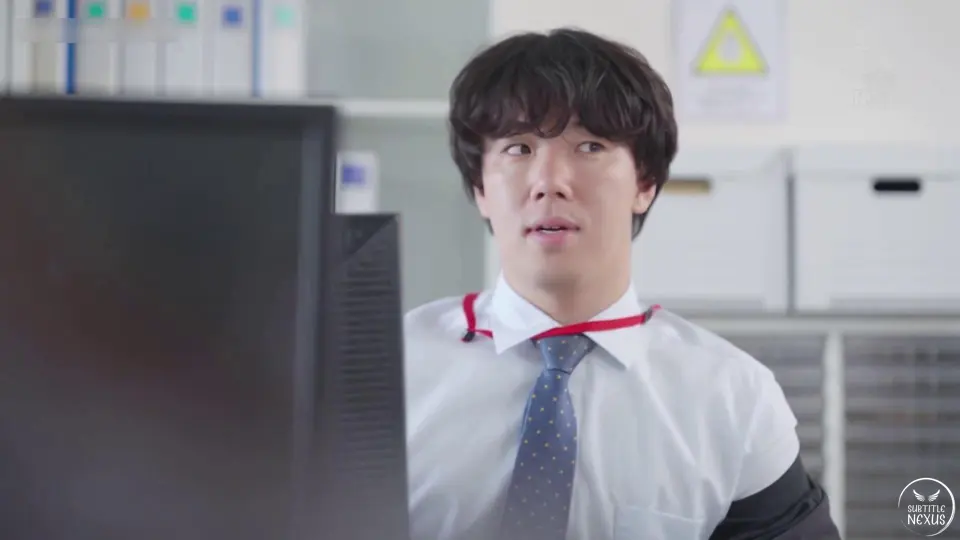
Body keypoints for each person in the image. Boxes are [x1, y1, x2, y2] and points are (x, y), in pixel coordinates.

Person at [403, 28, 841, 540]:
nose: (549, 182)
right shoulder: (388, 369)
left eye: (589, 146)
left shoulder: (733, 396)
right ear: (481, 187)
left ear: (645, 182)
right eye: (519, 148)